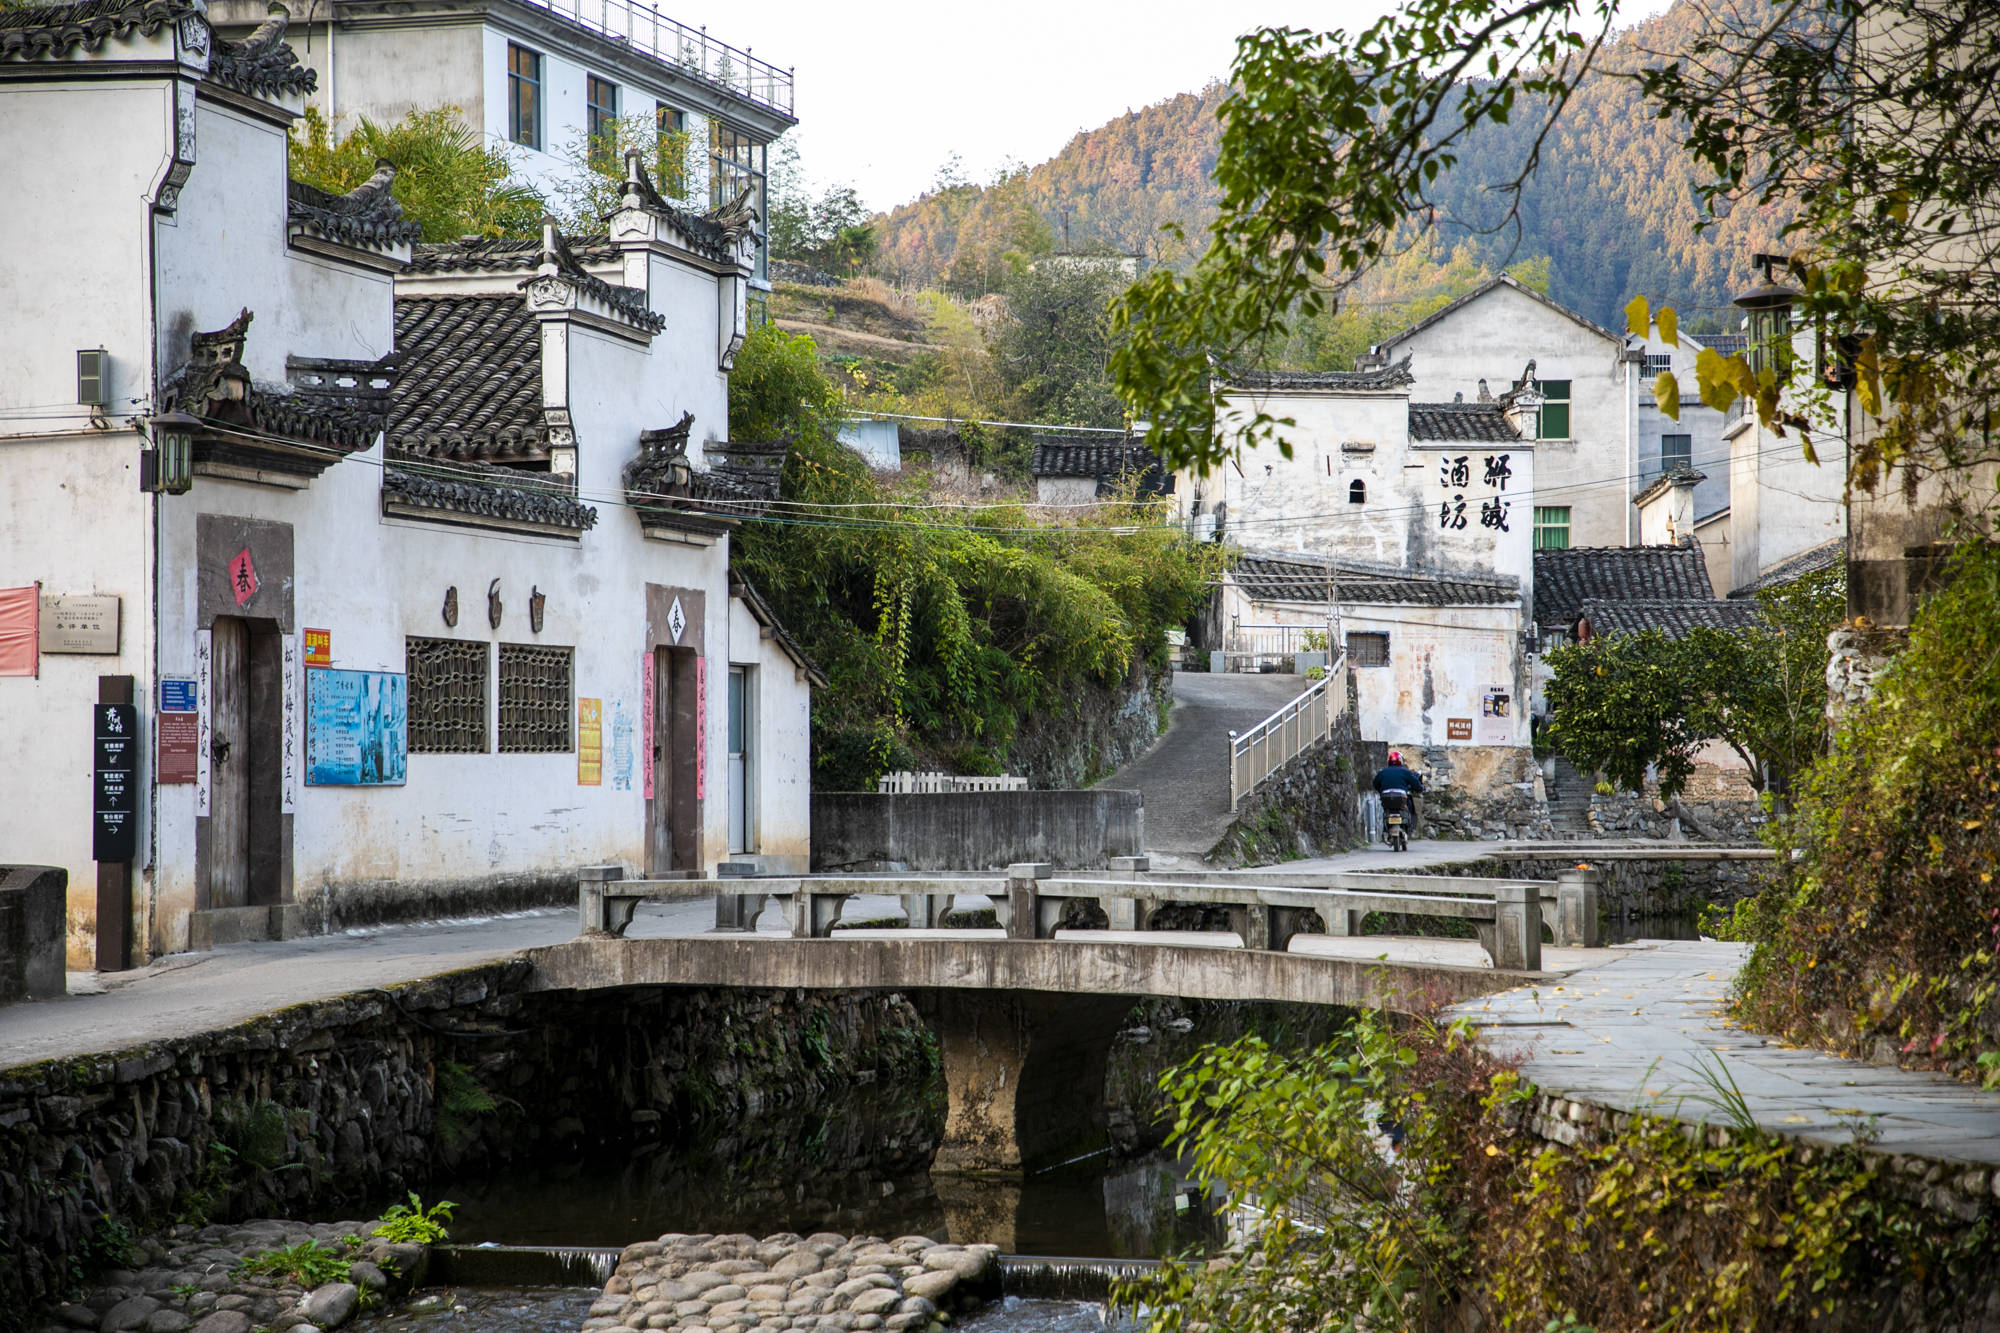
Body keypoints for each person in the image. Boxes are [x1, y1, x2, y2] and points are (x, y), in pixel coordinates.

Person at [1373, 750, 1426, 838]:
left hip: (1386, 797)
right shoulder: (1405, 772)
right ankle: (1410, 827)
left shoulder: (1382, 772)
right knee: (1408, 806)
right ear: (1400, 761)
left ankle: (1386, 828)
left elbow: (1375, 784)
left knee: (1386, 810)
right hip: (1401, 797)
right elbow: (1416, 784)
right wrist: (1420, 788)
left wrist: (1381, 790)